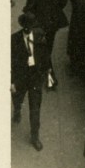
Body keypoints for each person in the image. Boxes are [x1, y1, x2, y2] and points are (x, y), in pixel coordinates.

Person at [24, 0, 68, 88]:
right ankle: (49, 76)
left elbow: (30, 9)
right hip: (54, 23)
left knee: (43, 50)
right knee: (47, 47)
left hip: (40, 25)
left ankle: (50, 77)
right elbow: (63, 1)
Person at [11, 11, 50, 151]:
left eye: (31, 27)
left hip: (35, 77)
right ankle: (17, 110)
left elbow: (45, 55)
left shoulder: (39, 35)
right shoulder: (14, 39)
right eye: (26, 27)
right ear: (23, 26)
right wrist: (12, 82)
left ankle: (35, 137)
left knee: (35, 109)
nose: (28, 30)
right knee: (17, 98)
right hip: (20, 77)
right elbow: (10, 62)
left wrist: (46, 72)